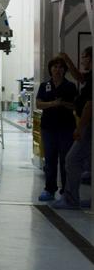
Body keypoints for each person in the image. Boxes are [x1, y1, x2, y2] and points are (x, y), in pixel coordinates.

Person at [53, 46, 91, 210]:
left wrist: (80, 128)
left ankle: (71, 199)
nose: (81, 60)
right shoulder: (89, 77)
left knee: (71, 159)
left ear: (90, 58)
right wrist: (67, 59)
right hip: (86, 124)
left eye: (83, 57)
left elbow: (90, 105)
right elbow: (80, 77)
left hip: (87, 126)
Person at [35, 56, 78, 202]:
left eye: (60, 67)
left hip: (66, 128)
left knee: (66, 160)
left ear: (65, 70)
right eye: (54, 67)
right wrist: (53, 103)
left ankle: (66, 191)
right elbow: (39, 104)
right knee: (50, 160)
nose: (57, 70)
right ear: (50, 69)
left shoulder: (70, 87)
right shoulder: (44, 85)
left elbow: (76, 106)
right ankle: (49, 189)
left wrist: (63, 104)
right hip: (48, 128)